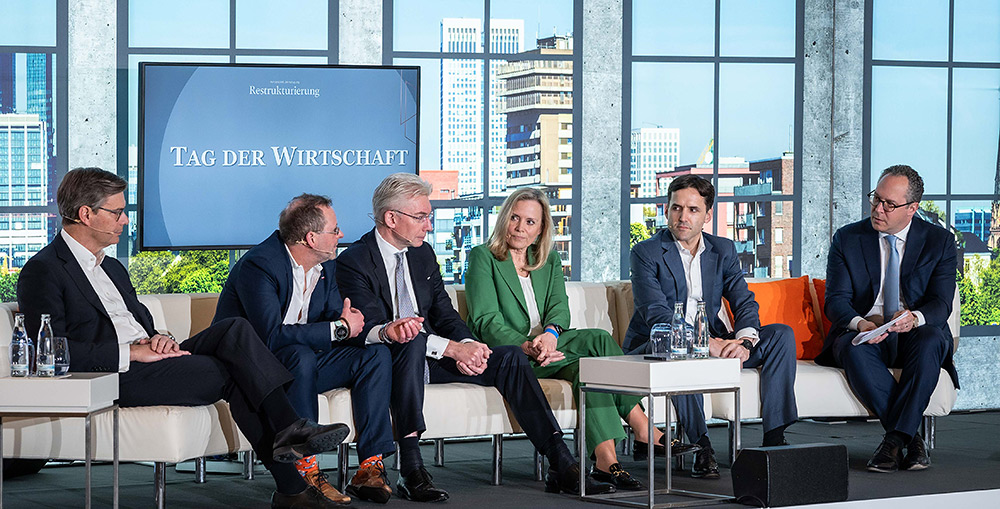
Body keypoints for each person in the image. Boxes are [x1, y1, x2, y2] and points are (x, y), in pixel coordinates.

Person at [17, 168, 350, 509]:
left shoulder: (112, 268)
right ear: (86, 214)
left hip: (150, 357)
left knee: (234, 328)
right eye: (117, 212)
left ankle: (292, 447)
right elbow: (50, 351)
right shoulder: (44, 270)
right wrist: (130, 352)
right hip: (117, 374)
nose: (125, 221)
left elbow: (139, 325)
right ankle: (292, 472)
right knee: (235, 372)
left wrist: (158, 338)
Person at [336, 173, 614, 500]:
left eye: (429, 217)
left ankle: (560, 462)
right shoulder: (354, 261)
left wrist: (468, 345)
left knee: (510, 356)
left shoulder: (422, 254)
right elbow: (382, 329)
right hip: (395, 358)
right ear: (391, 218)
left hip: (434, 358)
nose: (428, 226)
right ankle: (411, 469)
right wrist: (451, 349)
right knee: (410, 342)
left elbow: (444, 312)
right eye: (421, 217)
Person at [463, 188, 701, 491]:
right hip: (515, 356)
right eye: (515, 218)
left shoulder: (547, 259)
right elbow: (486, 321)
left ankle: (606, 461)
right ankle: (644, 428)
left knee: (591, 365)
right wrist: (529, 345)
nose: (521, 228)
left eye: (530, 222)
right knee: (598, 346)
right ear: (504, 219)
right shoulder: (483, 257)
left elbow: (559, 308)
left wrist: (551, 335)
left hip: (551, 348)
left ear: (541, 228)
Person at [214, 194, 397, 504]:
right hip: (259, 369)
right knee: (300, 354)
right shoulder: (260, 264)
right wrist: (339, 328)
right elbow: (270, 337)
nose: (341, 235)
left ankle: (369, 467)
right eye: (335, 230)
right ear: (312, 238)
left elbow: (339, 323)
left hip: (303, 366)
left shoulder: (326, 268)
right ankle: (306, 470)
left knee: (375, 355)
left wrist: (380, 331)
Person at [624, 174, 798, 479]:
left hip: (714, 340)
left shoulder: (723, 250)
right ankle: (701, 446)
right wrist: (706, 344)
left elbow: (743, 300)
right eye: (676, 208)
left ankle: (774, 439)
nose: (683, 217)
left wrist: (744, 343)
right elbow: (657, 314)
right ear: (667, 210)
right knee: (681, 351)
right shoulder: (646, 253)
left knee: (781, 335)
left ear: (707, 215)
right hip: (661, 345)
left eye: (693, 210)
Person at [817, 164, 958, 473]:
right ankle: (911, 439)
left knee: (932, 337)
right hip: (867, 331)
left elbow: (940, 303)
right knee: (852, 346)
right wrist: (861, 324)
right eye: (876, 199)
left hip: (914, 332)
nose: (878, 209)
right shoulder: (848, 238)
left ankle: (893, 441)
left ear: (912, 209)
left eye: (889, 204)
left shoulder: (940, 242)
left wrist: (914, 318)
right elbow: (836, 302)